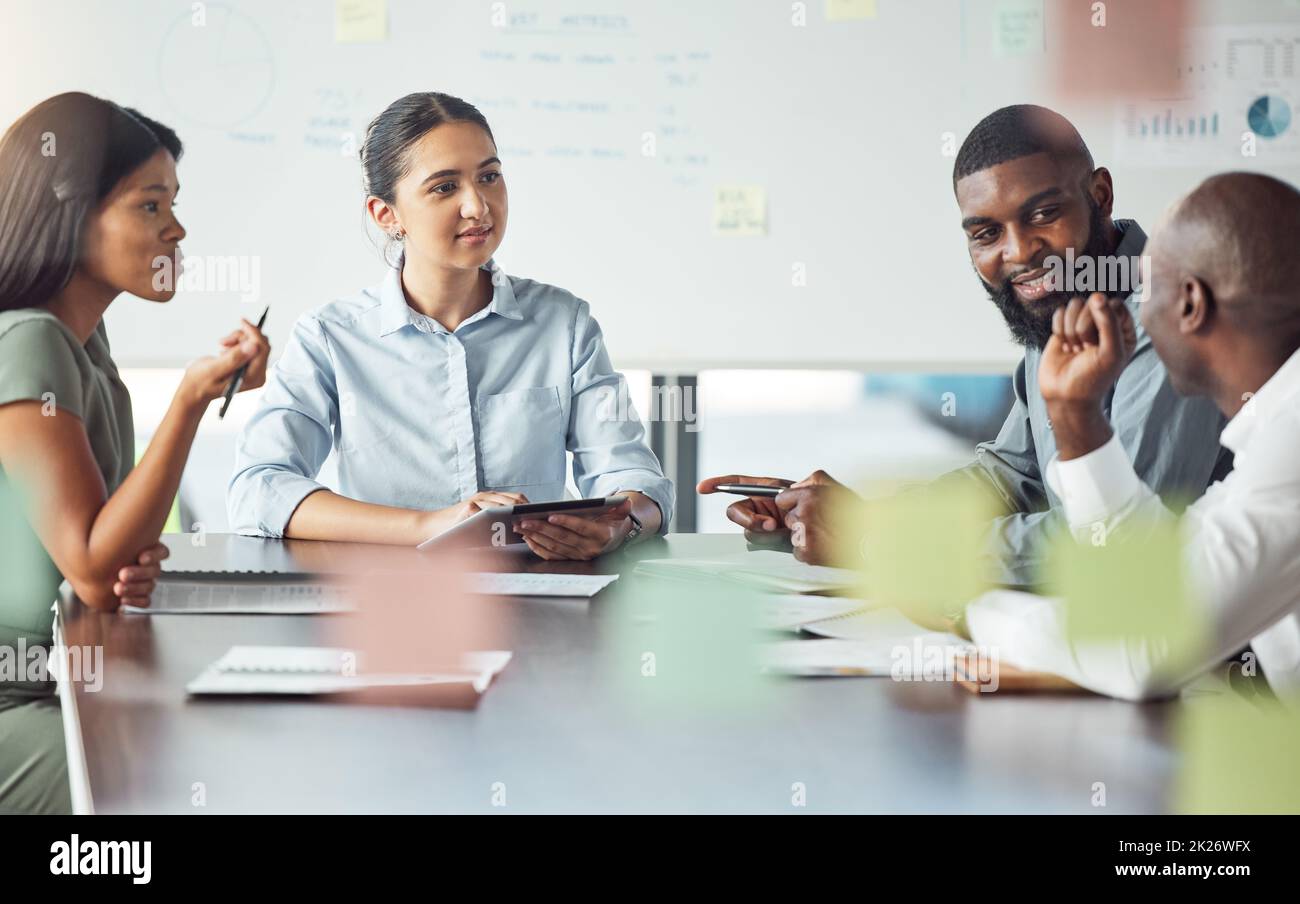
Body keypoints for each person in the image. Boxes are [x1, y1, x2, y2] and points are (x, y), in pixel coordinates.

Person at [700, 105, 1231, 584]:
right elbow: (1013, 478)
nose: (1020, 252)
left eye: (1043, 215)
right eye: (986, 234)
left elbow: (1115, 543)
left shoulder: (1166, 320)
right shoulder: (1064, 300)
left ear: (1100, 196)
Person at [228, 92, 672, 560]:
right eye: (444, 187)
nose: (478, 207)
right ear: (387, 214)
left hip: (543, 603)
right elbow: (259, 489)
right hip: (391, 604)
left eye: (489, 177)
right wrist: (432, 525)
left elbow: (638, 483)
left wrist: (618, 528)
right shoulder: (330, 337)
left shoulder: (564, 324)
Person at [0, 93, 271, 813]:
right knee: (186, 779)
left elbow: (104, 553)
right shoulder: (29, 341)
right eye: (150, 206)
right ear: (70, 211)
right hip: (16, 708)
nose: (176, 229)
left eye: (172, 204)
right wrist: (188, 401)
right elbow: (93, 569)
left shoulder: (86, 343)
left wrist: (126, 555)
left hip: (56, 679)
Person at [966, 173, 1300, 700]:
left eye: (1148, 290)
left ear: (1189, 304)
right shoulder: (1272, 433)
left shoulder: (1292, 445)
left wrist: (973, 613)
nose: (1135, 310)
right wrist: (1078, 417)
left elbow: (1141, 647)